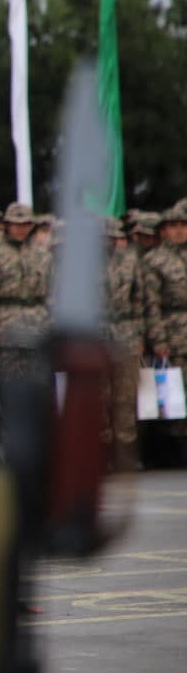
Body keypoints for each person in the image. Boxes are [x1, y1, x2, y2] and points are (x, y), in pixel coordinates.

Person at [0, 202, 52, 392]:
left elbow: (53, 295)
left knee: (40, 392)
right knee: (9, 392)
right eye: (16, 223)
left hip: (38, 331)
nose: (21, 228)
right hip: (6, 333)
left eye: (25, 224)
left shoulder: (42, 254)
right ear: (7, 224)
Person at [142, 200, 187, 456]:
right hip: (173, 334)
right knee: (175, 395)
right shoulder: (154, 261)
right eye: (173, 226)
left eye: (183, 225)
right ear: (163, 231)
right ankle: (176, 448)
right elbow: (151, 304)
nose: (179, 231)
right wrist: (159, 339)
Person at [105, 217, 145, 471]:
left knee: (126, 397)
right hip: (95, 334)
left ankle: (125, 454)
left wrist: (140, 334)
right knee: (98, 397)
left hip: (125, 333)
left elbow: (139, 299)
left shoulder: (130, 262)